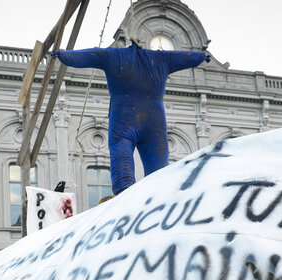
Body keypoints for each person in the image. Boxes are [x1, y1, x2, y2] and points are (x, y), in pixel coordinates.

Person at [51, 43, 209, 195]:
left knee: (121, 157)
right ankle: (159, 194)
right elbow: (185, 57)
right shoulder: (161, 58)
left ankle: (124, 191)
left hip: (124, 118)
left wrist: (63, 55)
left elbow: (88, 55)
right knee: (159, 171)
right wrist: (201, 56)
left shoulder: (113, 56)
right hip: (154, 121)